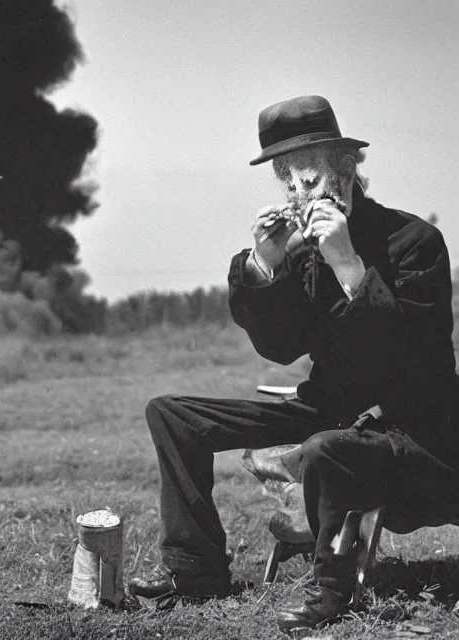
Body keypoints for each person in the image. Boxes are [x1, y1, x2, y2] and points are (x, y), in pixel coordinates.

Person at [129, 95, 459, 633]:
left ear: (348, 171)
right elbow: (280, 347)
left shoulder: (415, 242)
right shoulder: (304, 253)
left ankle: (334, 589)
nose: (298, 196)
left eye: (309, 180)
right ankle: (197, 571)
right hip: (326, 409)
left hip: (411, 425)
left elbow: (417, 363)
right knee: (172, 413)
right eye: (289, 184)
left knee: (328, 447)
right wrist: (264, 266)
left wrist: (349, 264)